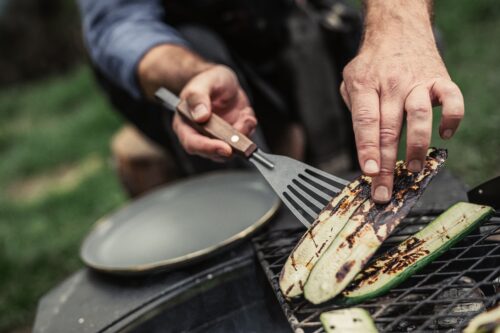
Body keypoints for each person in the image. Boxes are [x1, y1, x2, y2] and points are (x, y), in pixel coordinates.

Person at [77, 0, 464, 204]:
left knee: (415, 35)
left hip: (276, 25)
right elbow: (118, 25)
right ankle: (257, 220)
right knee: (205, 55)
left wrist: (399, 29)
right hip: (189, 51)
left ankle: (344, 175)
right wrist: (190, 74)